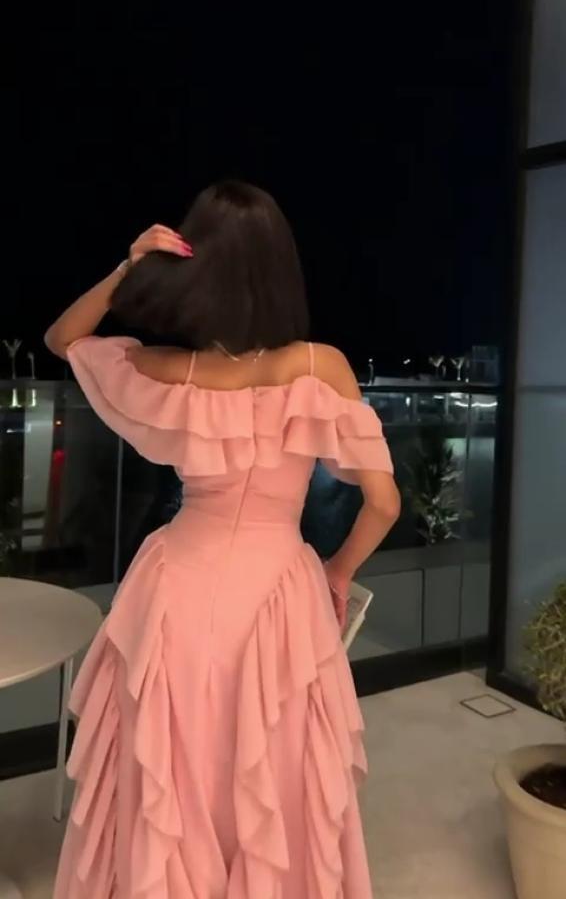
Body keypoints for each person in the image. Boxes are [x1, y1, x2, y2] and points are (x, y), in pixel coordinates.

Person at [45, 180, 400, 899]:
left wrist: (128, 265)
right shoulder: (320, 366)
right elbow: (384, 504)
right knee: (272, 768)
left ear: (197, 265)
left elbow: (64, 340)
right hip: (277, 593)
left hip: (176, 585)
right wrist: (335, 573)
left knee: (173, 767)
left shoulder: (172, 371)